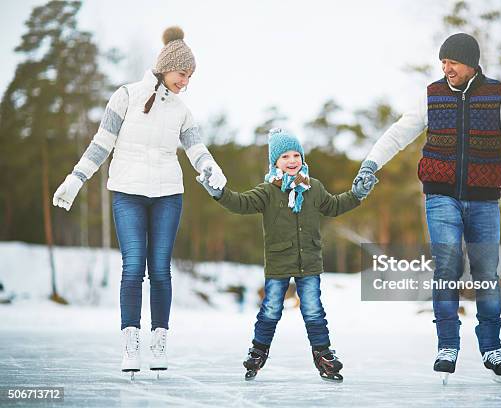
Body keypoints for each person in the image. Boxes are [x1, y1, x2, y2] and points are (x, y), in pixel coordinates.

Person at [352, 33, 501, 384]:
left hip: (484, 199)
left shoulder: (499, 96)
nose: (446, 67)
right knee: (447, 263)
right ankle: (447, 345)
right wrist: (369, 165)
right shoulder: (433, 95)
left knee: (486, 272)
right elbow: (398, 133)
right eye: (443, 62)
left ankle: (491, 347)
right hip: (440, 196)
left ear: (470, 63)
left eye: (452, 62)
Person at [52, 27, 226, 378]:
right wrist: (76, 178)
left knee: (160, 269)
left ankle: (158, 340)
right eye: (182, 74)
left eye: (190, 77)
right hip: (128, 193)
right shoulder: (125, 97)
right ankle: (130, 343)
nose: (186, 82)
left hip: (168, 195)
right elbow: (101, 144)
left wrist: (211, 169)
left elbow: (196, 149)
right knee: (133, 267)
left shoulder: (181, 110)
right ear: (166, 67)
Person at [199, 128, 373, 382]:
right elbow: (240, 203)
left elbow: (334, 205)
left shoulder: (314, 188)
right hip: (279, 262)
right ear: (274, 162)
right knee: (270, 309)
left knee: (313, 310)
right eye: (285, 156)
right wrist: (219, 192)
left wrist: (357, 194)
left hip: (310, 261)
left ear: (302, 158)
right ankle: (258, 351)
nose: (292, 161)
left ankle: (323, 354)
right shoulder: (267, 191)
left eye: (296, 155)